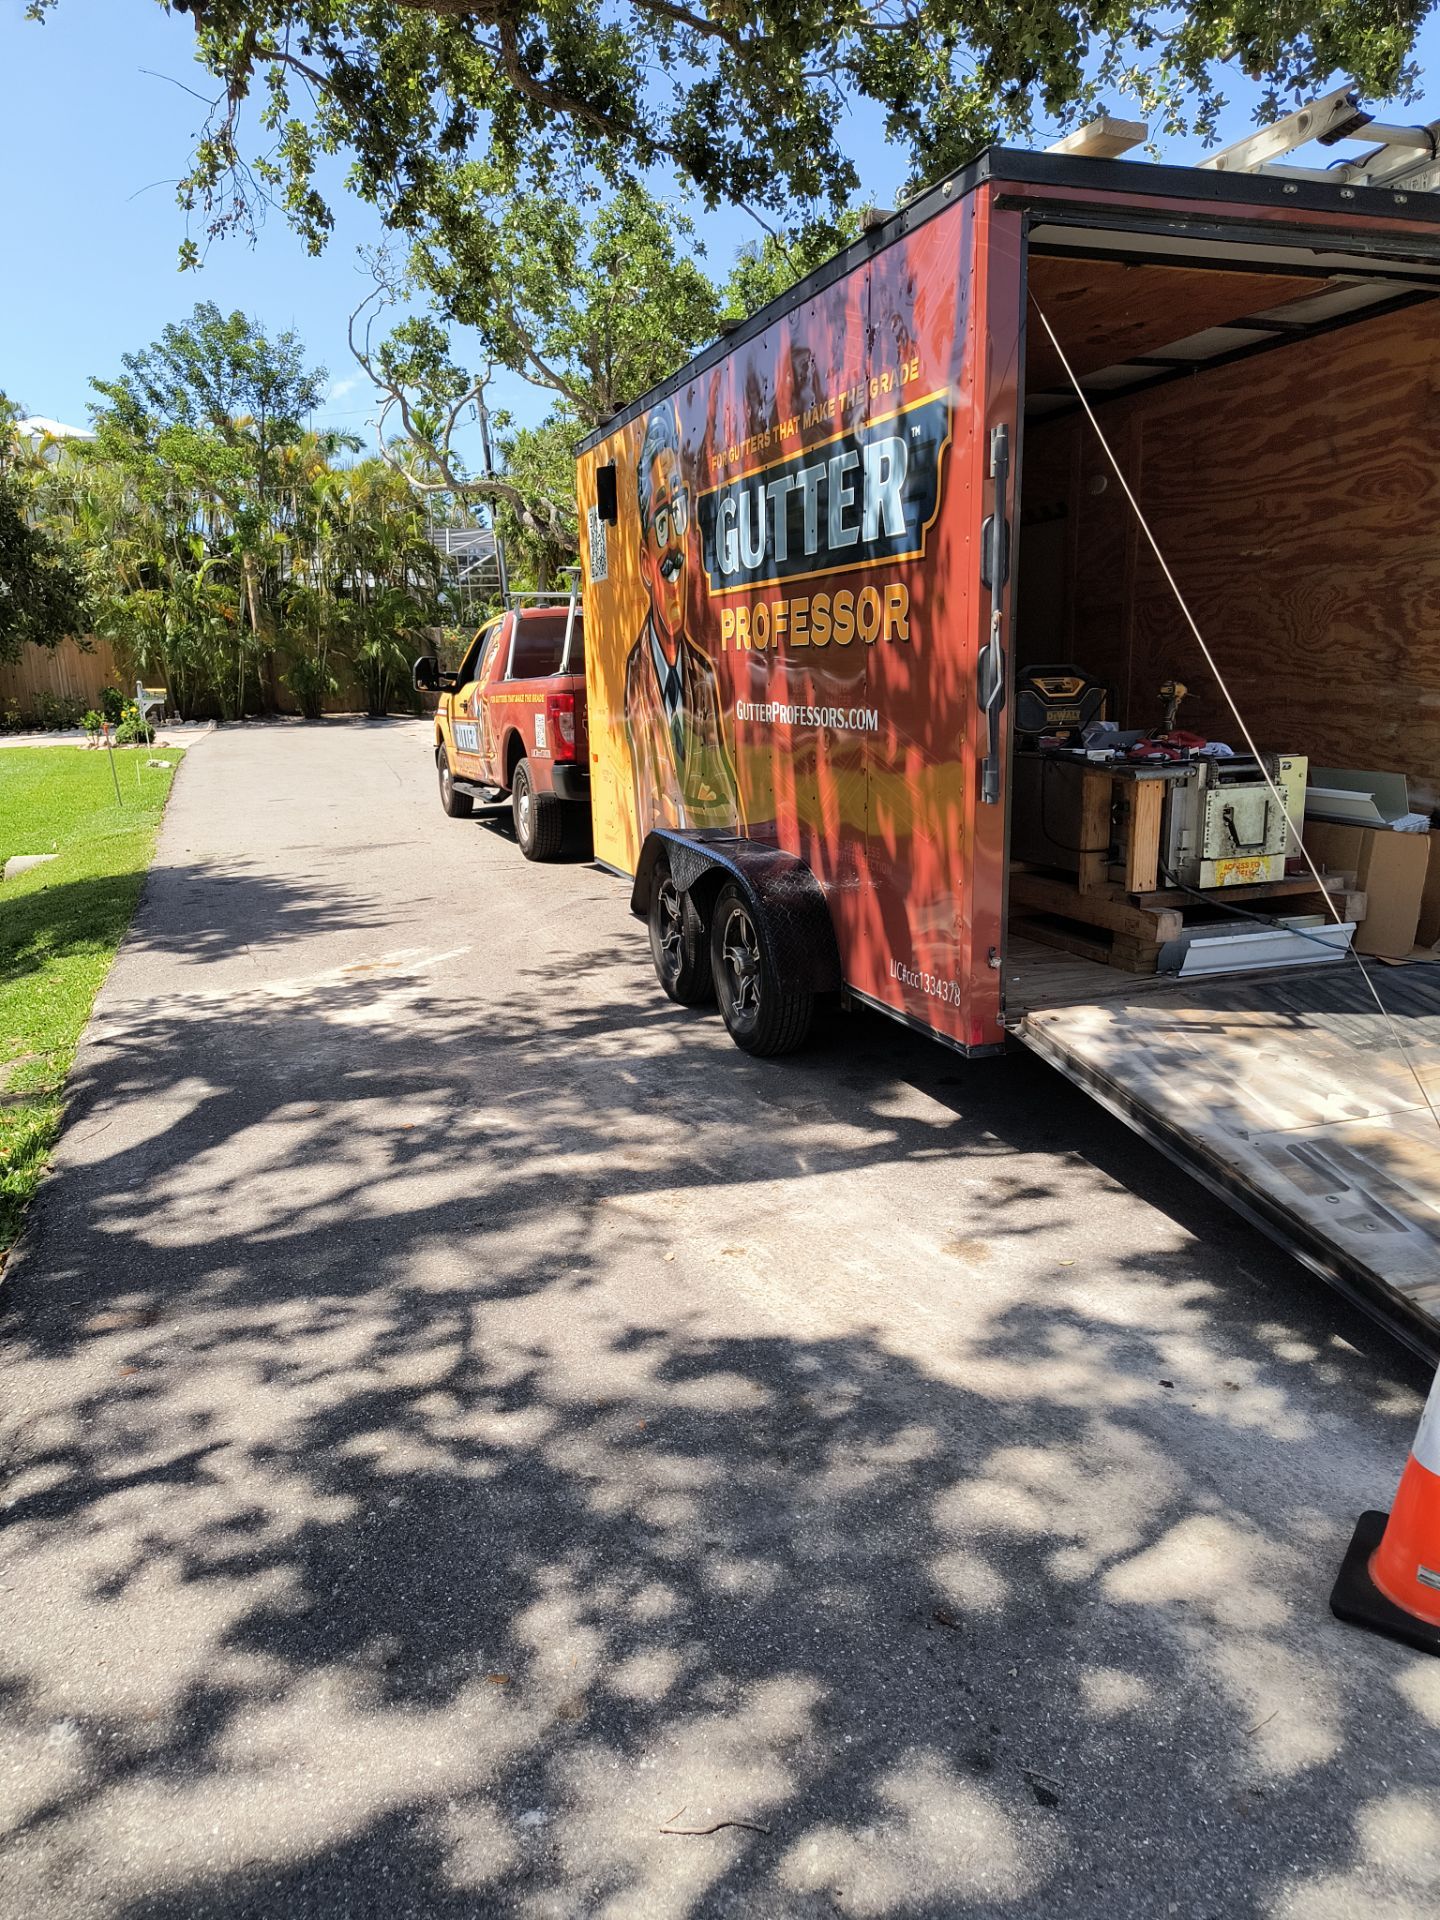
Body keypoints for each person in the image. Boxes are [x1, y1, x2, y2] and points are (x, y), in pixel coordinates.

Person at [623, 403, 743, 833]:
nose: (673, 543)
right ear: (643, 563)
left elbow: (726, 802)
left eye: (678, 515)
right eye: (660, 520)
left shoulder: (702, 675)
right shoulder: (635, 676)